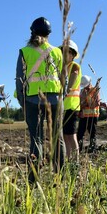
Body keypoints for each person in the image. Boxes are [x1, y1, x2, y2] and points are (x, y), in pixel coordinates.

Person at [15, 17, 65, 183]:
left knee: (36, 138)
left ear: (32, 32)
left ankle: (33, 180)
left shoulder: (24, 52)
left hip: (32, 100)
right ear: (49, 34)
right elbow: (63, 78)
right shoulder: (58, 52)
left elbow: (19, 80)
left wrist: (22, 102)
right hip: (56, 99)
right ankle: (61, 178)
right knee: (58, 138)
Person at [62, 40, 81, 161]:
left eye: (67, 52)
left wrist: (67, 89)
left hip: (71, 107)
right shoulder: (63, 67)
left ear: (73, 54)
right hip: (64, 107)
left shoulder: (74, 66)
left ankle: (76, 162)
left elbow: (73, 76)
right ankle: (69, 159)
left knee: (71, 135)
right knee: (64, 135)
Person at [77, 75, 100, 152]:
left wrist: (87, 104)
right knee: (80, 133)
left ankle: (92, 149)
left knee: (92, 134)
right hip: (83, 116)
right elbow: (80, 103)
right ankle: (78, 149)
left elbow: (96, 104)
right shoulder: (82, 91)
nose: (85, 87)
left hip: (93, 116)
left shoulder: (95, 90)